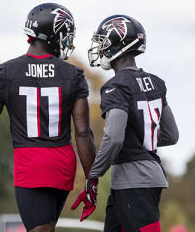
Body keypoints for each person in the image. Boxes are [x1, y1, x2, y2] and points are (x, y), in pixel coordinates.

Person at [0, 3, 96, 232]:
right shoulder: (73, 75)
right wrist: (92, 181)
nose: (66, 40)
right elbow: (83, 133)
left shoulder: (6, 73)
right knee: (46, 226)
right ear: (52, 35)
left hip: (31, 164)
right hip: (63, 165)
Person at [71, 15, 179, 232]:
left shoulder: (116, 86)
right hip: (144, 177)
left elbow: (114, 138)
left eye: (103, 42)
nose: (99, 48)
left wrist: (93, 175)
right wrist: (140, 136)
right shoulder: (156, 83)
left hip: (135, 181)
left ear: (118, 44)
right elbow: (170, 135)